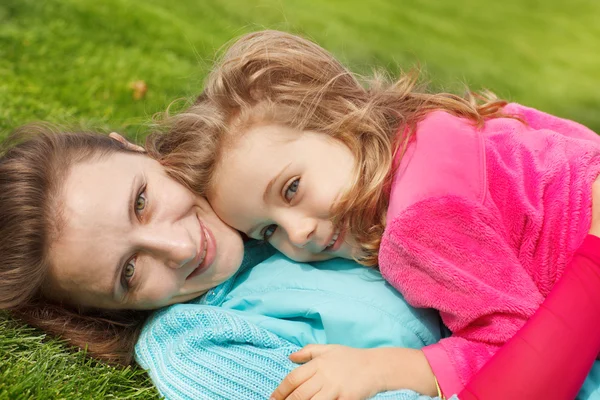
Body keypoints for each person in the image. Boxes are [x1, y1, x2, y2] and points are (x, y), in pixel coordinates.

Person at [152, 29, 600, 398]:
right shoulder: (435, 119)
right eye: (268, 230)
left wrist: (391, 367)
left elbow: (520, 348)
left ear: (337, 119)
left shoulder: (415, 226)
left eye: (292, 189)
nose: (299, 232)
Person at [0, 125, 448, 399]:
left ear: (134, 148)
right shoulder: (196, 350)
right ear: (107, 309)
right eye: (129, 272)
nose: (179, 248)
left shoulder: (258, 166)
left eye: (141, 202)